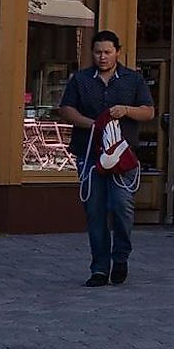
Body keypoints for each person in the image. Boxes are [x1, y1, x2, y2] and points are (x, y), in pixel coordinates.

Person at [58, 30, 153, 287]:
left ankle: (120, 256)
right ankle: (99, 268)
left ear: (117, 52)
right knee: (95, 211)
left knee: (122, 207)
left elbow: (148, 112)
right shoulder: (81, 79)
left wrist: (126, 110)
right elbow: (66, 109)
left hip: (122, 155)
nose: (102, 57)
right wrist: (92, 124)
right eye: (98, 52)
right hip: (90, 154)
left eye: (107, 52)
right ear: (92, 52)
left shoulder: (133, 79)